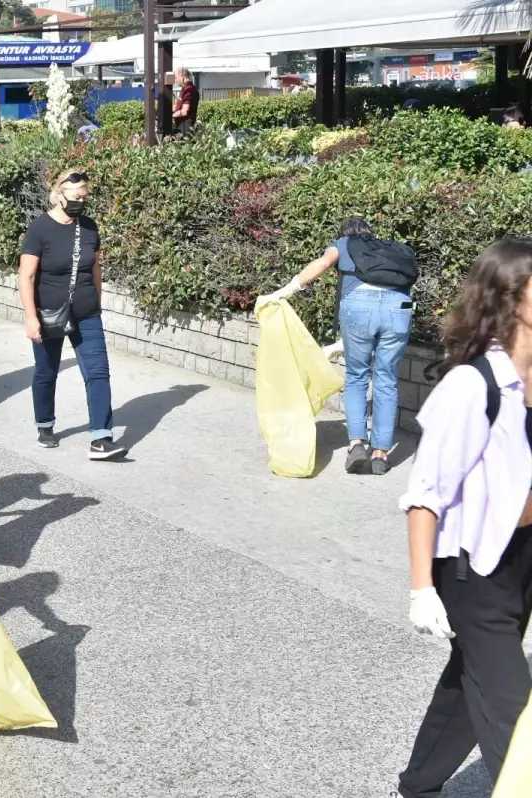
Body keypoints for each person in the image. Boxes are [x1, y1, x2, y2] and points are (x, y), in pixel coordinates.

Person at [391, 238, 532, 798]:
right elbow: (426, 492)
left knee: (468, 685)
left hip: (521, 559)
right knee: (514, 715)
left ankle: (418, 785)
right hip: (475, 573)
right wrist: (422, 589)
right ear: (511, 298)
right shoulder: (472, 386)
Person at [261, 218, 413, 474]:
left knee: (356, 376)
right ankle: (380, 455)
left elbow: (322, 263)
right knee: (386, 379)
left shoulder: (344, 243)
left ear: (343, 234)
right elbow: (389, 299)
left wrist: (285, 291)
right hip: (399, 308)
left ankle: (356, 443)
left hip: (359, 307)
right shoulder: (389, 250)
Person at [18, 170, 127, 461]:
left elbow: (95, 269)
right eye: (76, 197)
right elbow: (26, 275)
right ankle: (45, 425)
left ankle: (101, 438)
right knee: (46, 371)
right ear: (59, 194)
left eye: (84, 197)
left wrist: (97, 302)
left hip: (87, 314)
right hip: (49, 313)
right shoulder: (40, 228)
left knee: (98, 372)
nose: (81, 201)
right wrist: (31, 316)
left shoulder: (89, 227)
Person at [171, 66, 199, 136]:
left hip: (185, 126)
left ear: (182, 76)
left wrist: (171, 116)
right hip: (181, 125)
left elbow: (184, 111)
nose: (175, 80)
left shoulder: (189, 90)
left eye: (176, 77)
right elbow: (179, 106)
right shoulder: (185, 88)